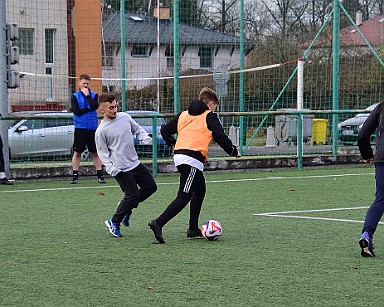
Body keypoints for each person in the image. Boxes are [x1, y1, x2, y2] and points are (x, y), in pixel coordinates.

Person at [148, 87, 241, 243]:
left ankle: (192, 228)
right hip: (191, 160)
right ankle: (158, 222)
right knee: (184, 196)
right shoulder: (209, 116)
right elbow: (220, 136)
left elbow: (164, 131)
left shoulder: (183, 115)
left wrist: (173, 143)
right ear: (211, 103)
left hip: (180, 156)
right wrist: (233, 151)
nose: (214, 109)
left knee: (200, 189)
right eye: (215, 106)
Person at [95, 93, 157, 237]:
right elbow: (102, 153)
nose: (115, 110)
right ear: (102, 110)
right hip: (120, 168)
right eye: (111, 108)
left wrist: (144, 137)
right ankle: (114, 221)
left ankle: (127, 208)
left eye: (116, 106)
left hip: (134, 163)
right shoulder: (101, 132)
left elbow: (137, 129)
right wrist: (111, 169)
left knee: (151, 187)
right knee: (132, 194)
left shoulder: (125, 117)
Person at [358, 100, 384, 257]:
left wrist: (367, 153)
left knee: (381, 199)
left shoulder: (381, 106)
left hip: (382, 159)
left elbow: (363, 133)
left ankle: (366, 235)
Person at [70, 74, 105, 184]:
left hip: (92, 128)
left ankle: (100, 175)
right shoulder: (74, 96)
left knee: (95, 152)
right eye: (83, 83)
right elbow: (77, 111)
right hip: (80, 128)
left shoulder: (94, 95)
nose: (85, 86)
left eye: (87, 84)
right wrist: (89, 107)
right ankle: (75, 175)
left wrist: (88, 97)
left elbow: (95, 106)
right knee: (77, 153)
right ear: (79, 83)